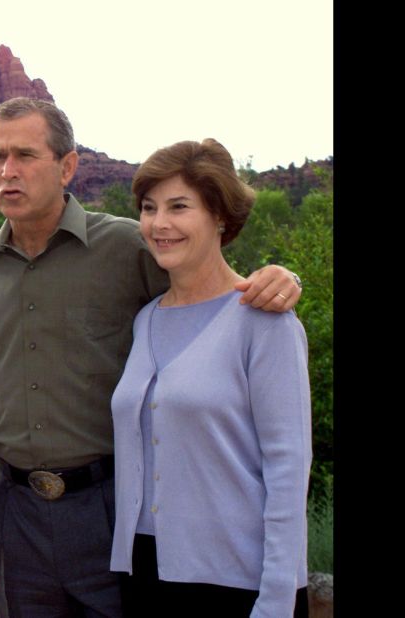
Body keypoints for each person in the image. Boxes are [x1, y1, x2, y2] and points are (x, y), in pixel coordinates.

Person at [0, 98, 304, 617]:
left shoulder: (129, 248)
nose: (8, 171)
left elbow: (211, 293)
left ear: (67, 166)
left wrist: (280, 278)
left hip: (110, 509)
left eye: (25, 155)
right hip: (14, 510)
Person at [109, 138, 311, 617]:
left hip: (237, 582)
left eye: (180, 207)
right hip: (143, 573)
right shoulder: (146, 320)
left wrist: (278, 599)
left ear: (220, 215)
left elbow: (288, 470)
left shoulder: (265, 322)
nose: (160, 224)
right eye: (149, 207)